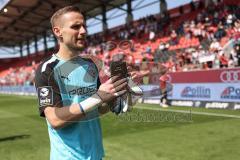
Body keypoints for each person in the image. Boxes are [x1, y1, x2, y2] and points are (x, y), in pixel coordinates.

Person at [34, 6, 128, 160]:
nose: (83, 31)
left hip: (96, 155)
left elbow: (97, 109)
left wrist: (114, 98)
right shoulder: (47, 69)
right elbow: (55, 119)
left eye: (84, 26)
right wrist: (98, 97)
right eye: (76, 27)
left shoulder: (90, 65)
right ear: (58, 32)